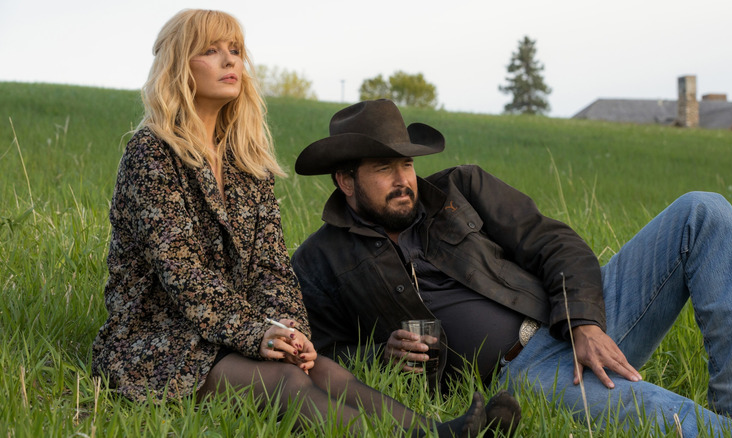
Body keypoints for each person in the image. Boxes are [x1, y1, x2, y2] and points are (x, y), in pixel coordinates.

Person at [90, 10, 521, 437]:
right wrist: (258, 332)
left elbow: (273, 268)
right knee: (285, 382)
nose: (229, 61)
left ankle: (444, 430)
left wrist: (289, 330)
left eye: (235, 51)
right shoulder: (152, 154)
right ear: (179, 65)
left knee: (327, 372)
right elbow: (183, 276)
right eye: (211, 50)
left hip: (233, 330)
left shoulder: (247, 159)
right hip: (160, 341)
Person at [291, 99, 732, 437]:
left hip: (571, 320)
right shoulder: (320, 260)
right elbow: (323, 354)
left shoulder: (461, 189)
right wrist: (381, 354)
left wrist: (584, 321)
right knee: (656, 412)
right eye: (383, 168)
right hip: (523, 369)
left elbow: (555, 243)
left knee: (703, 210)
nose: (403, 180)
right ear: (345, 180)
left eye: (406, 165)